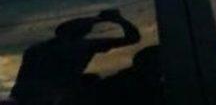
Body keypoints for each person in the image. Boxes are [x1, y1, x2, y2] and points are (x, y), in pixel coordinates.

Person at [11, 8, 140, 105]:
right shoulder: (82, 46)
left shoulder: (35, 49)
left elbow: (22, 79)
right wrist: (117, 20)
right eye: (86, 29)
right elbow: (133, 38)